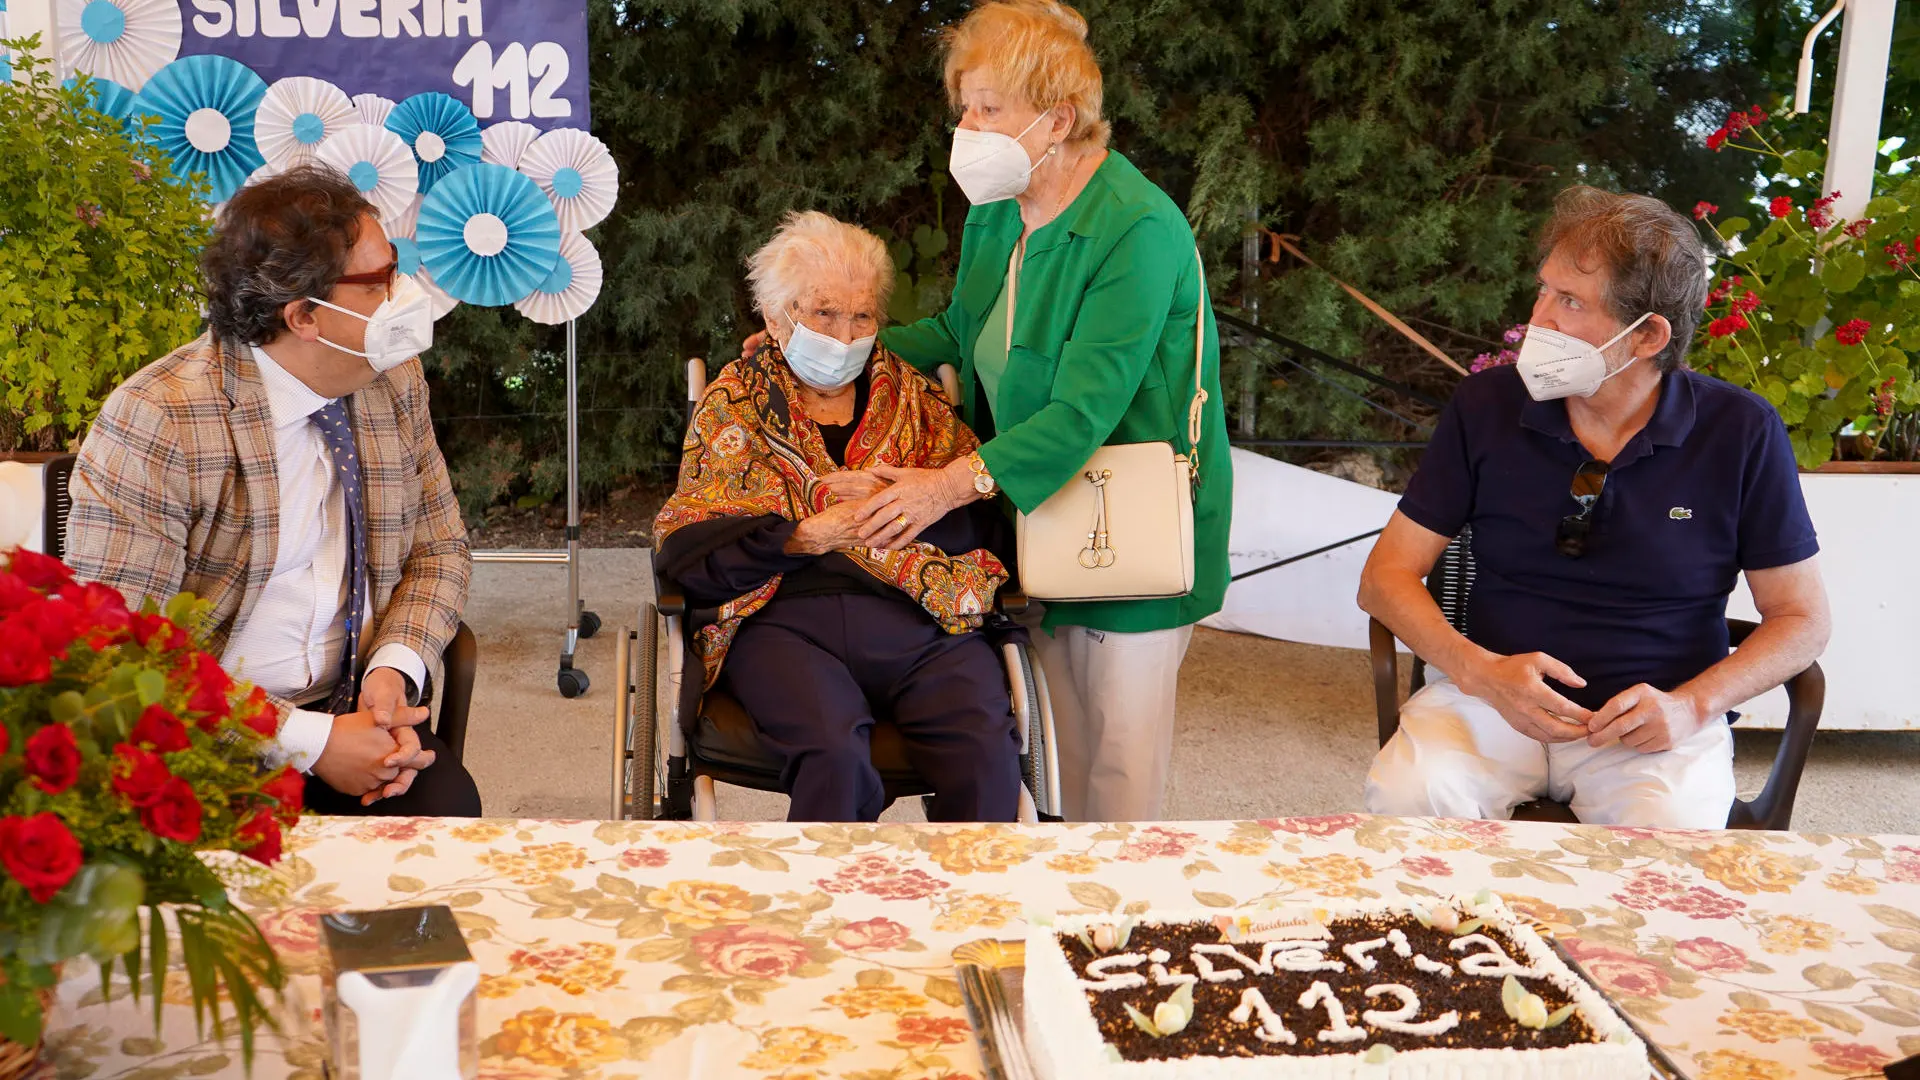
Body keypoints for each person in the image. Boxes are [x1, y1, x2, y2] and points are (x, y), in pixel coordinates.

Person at [748, 0, 1232, 822]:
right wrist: (826, 341)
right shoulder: (998, 210)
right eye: (965, 105)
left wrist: (942, 486)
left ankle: (1100, 936)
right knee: (1046, 756)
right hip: (1023, 515)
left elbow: (1082, 412)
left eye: (987, 109)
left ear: (1058, 120)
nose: (965, 127)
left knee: (1112, 781)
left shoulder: (1138, 229)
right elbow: (958, 331)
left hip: (1124, 526)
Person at [1359, 186, 1830, 828]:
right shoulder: (1488, 407)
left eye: (1570, 301)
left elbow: (1802, 619)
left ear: (1648, 336)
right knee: (1408, 801)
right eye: (1544, 290)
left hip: (1654, 725)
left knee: (1667, 859)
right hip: (1491, 700)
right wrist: (1480, 673)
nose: (1538, 318)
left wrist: (1692, 706)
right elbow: (1384, 577)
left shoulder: (1741, 433)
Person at [65, 164, 480, 817]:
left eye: (394, 267)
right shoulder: (159, 418)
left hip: (358, 708)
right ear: (306, 315)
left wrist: (392, 670)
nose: (403, 294)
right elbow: (122, 657)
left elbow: (441, 551)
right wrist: (310, 744)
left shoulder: (392, 380)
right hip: (207, 741)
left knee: (447, 819)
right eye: (378, 283)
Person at [656, 211, 1022, 823]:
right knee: (834, 756)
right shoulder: (733, 403)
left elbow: (984, 529)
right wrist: (802, 535)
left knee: (985, 752)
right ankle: (830, 915)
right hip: (782, 623)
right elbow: (688, 554)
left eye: (862, 315)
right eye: (823, 313)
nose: (844, 334)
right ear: (775, 318)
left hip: (921, 617)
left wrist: (909, 497)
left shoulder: (915, 398)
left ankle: (975, 911)